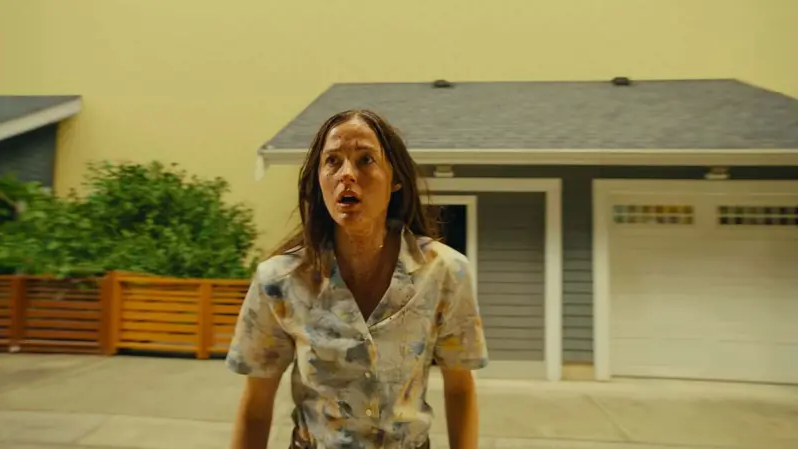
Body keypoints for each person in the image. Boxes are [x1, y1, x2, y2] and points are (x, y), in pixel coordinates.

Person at [226, 109, 488, 449]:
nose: (347, 174)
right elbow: (256, 407)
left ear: (395, 180)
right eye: (332, 161)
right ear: (318, 180)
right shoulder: (279, 280)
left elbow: (460, 390)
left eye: (366, 160)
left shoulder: (445, 272)